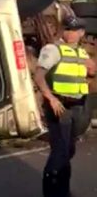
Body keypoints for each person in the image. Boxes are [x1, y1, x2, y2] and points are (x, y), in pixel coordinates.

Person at [34, 16, 95, 197]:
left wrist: (91, 69)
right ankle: (52, 192)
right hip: (59, 106)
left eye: (75, 30)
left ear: (82, 33)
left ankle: (63, 190)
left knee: (69, 149)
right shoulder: (53, 49)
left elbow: (88, 74)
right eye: (67, 29)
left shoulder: (81, 53)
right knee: (60, 151)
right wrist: (51, 98)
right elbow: (39, 76)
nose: (70, 33)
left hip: (78, 105)